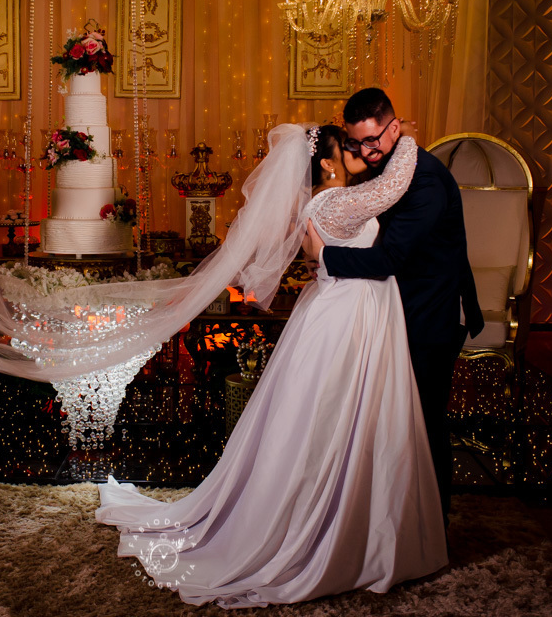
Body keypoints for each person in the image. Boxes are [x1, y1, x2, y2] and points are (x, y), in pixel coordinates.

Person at [95, 125, 448, 608]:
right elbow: (393, 186)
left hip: (347, 311)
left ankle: (351, 516)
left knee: (343, 417)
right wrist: (399, 136)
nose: (358, 152)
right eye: (348, 147)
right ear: (327, 164)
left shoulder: (322, 205)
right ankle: (329, 525)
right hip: (348, 317)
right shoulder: (333, 204)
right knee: (335, 417)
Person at [305, 89, 484, 524]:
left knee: (423, 424)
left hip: (431, 315)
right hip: (400, 311)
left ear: (395, 126)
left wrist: (323, 257)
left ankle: (430, 526)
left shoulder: (423, 180)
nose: (367, 151)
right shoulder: (388, 171)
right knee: (395, 422)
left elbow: (391, 259)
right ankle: (392, 521)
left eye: (374, 140)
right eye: (356, 142)